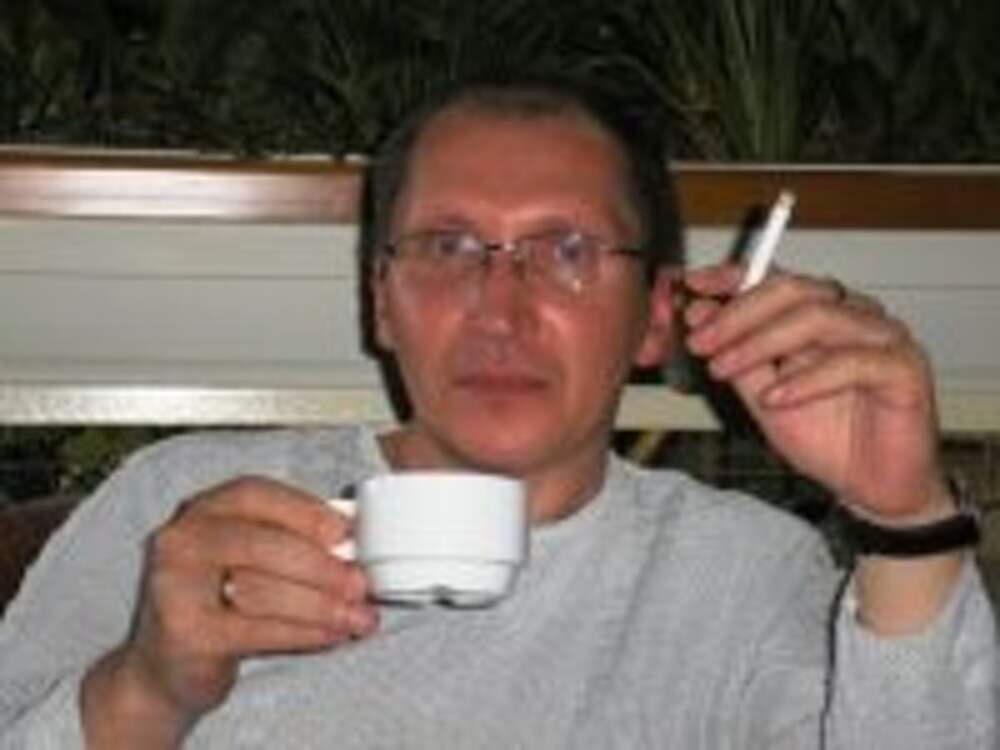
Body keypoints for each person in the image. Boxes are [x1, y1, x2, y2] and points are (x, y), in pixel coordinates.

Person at [1, 75, 996, 749]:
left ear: (656, 317)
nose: (500, 309)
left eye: (567, 252)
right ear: (381, 301)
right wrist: (146, 691)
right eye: (447, 247)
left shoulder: (739, 576)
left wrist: (905, 524)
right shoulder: (187, 506)